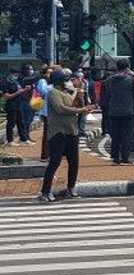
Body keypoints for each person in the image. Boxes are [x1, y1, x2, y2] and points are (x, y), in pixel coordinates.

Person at [38, 69, 94, 202]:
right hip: (58, 133)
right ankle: (45, 191)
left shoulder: (67, 93)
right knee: (55, 162)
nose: (69, 82)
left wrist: (80, 96)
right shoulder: (53, 93)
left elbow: (75, 106)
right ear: (60, 81)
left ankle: (71, 188)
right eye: (66, 80)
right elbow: (60, 108)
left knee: (74, 162)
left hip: (71, 131)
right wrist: (80, 110)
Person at [101, 60, 134, 165]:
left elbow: (108, 94)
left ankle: (115, 157)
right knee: (126, 135)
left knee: (115, 135)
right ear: (127, 67)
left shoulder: (109, 80)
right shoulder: (131, 80)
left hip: (113, 111)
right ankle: (125, 157)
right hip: (128, 111)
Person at [3, 70, 30, 145]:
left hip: (18, 105)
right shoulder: (5, 83)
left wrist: (25, 90)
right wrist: (18, 92)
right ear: (10, 74)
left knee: (21, 122)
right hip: (11, 106)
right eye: (15, 74)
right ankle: (10, 141)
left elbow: (21, 91)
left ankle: (23, 139)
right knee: (11, 123)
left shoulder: (16, 82)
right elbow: (6, 96)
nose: (16, 76)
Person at [35, 66, 52, 160]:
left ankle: (49, 153)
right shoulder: (42, 81)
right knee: (47, 134)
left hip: (49, 111)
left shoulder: (47, 82)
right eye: (49, 73)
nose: (50, 75)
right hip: (46, 112)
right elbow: (43, 92)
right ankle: (45, 155)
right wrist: (50, 87)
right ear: (44, 74)